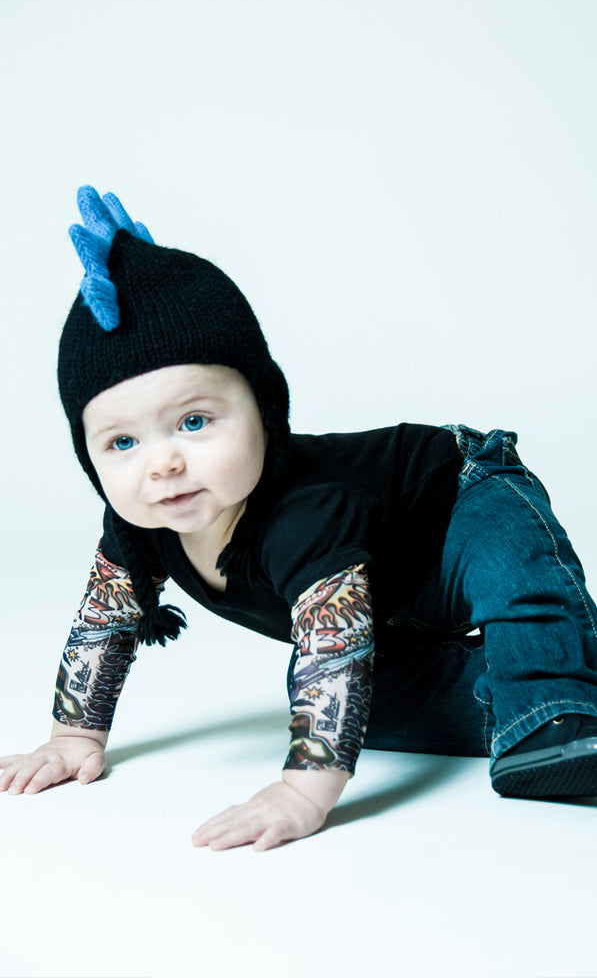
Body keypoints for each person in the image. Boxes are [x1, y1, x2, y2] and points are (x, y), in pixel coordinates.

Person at [1, 187, 597, 851]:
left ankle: (557, 707)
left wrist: (300, 791)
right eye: (122, 443)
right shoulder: (141, 532)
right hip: (390, 606)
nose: (162, 463)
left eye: (193, 422)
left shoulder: (302, 512)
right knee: (364, 704)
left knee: (512, 581)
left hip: (456, 499)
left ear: (265, 409)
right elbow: (103, 626)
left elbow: (330, 646)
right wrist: (73, 738)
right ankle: (529, 706)